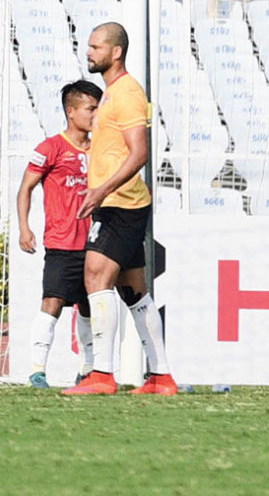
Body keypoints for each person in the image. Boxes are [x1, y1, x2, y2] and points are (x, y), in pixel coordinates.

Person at [70, 21, 175, 396]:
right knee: (134, 293)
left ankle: (101, 373)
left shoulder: (128, 93)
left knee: (95, 278)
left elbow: (140, 153)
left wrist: (100, 190)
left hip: (119, 203)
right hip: (120, 201)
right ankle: (161, 376)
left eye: (96, 46)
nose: (89, 52)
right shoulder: (112, 92)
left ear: (115, 52)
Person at [16, 80, 100, 388]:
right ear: (71, 111)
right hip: (62, 242)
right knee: (52, 302)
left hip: (95, 243)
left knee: (91, 307)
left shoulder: (101, 148)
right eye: (91, 108)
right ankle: (37, 370)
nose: (96, 114)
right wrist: (25, 227)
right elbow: (25, 188)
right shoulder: (50, 148)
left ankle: (88, 369)